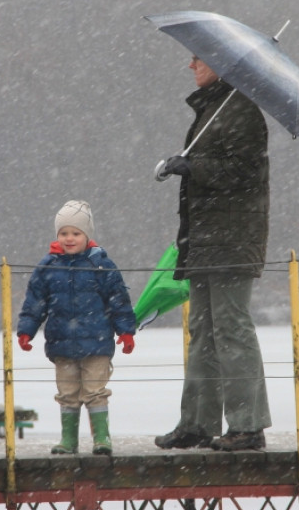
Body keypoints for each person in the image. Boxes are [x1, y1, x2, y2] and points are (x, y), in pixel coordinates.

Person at [154, 54, 272, 452]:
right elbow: (220, 167)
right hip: (205, 241)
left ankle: (247, 426)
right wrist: (189, 165)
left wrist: (194, 167)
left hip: (232, 241)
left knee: (231, 328)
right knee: (202, 331)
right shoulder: (213, 108)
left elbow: (245, 172)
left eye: (198, 59)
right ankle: (197, 424)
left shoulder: (242, 111)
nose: (191, 65)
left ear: (220, 63)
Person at [17, 200, 136, 456]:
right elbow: (35, 302)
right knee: (67, 392)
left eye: (76, 233)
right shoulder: (48, 266)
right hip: (61, 342)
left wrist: (126, 331)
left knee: (95, 391)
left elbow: (118, 300)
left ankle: (101, 438)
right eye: (63, 233)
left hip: (97, 342)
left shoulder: (100, 265)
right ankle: (68, 439)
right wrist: (27, 330)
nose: (69, 238)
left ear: (87, 235)